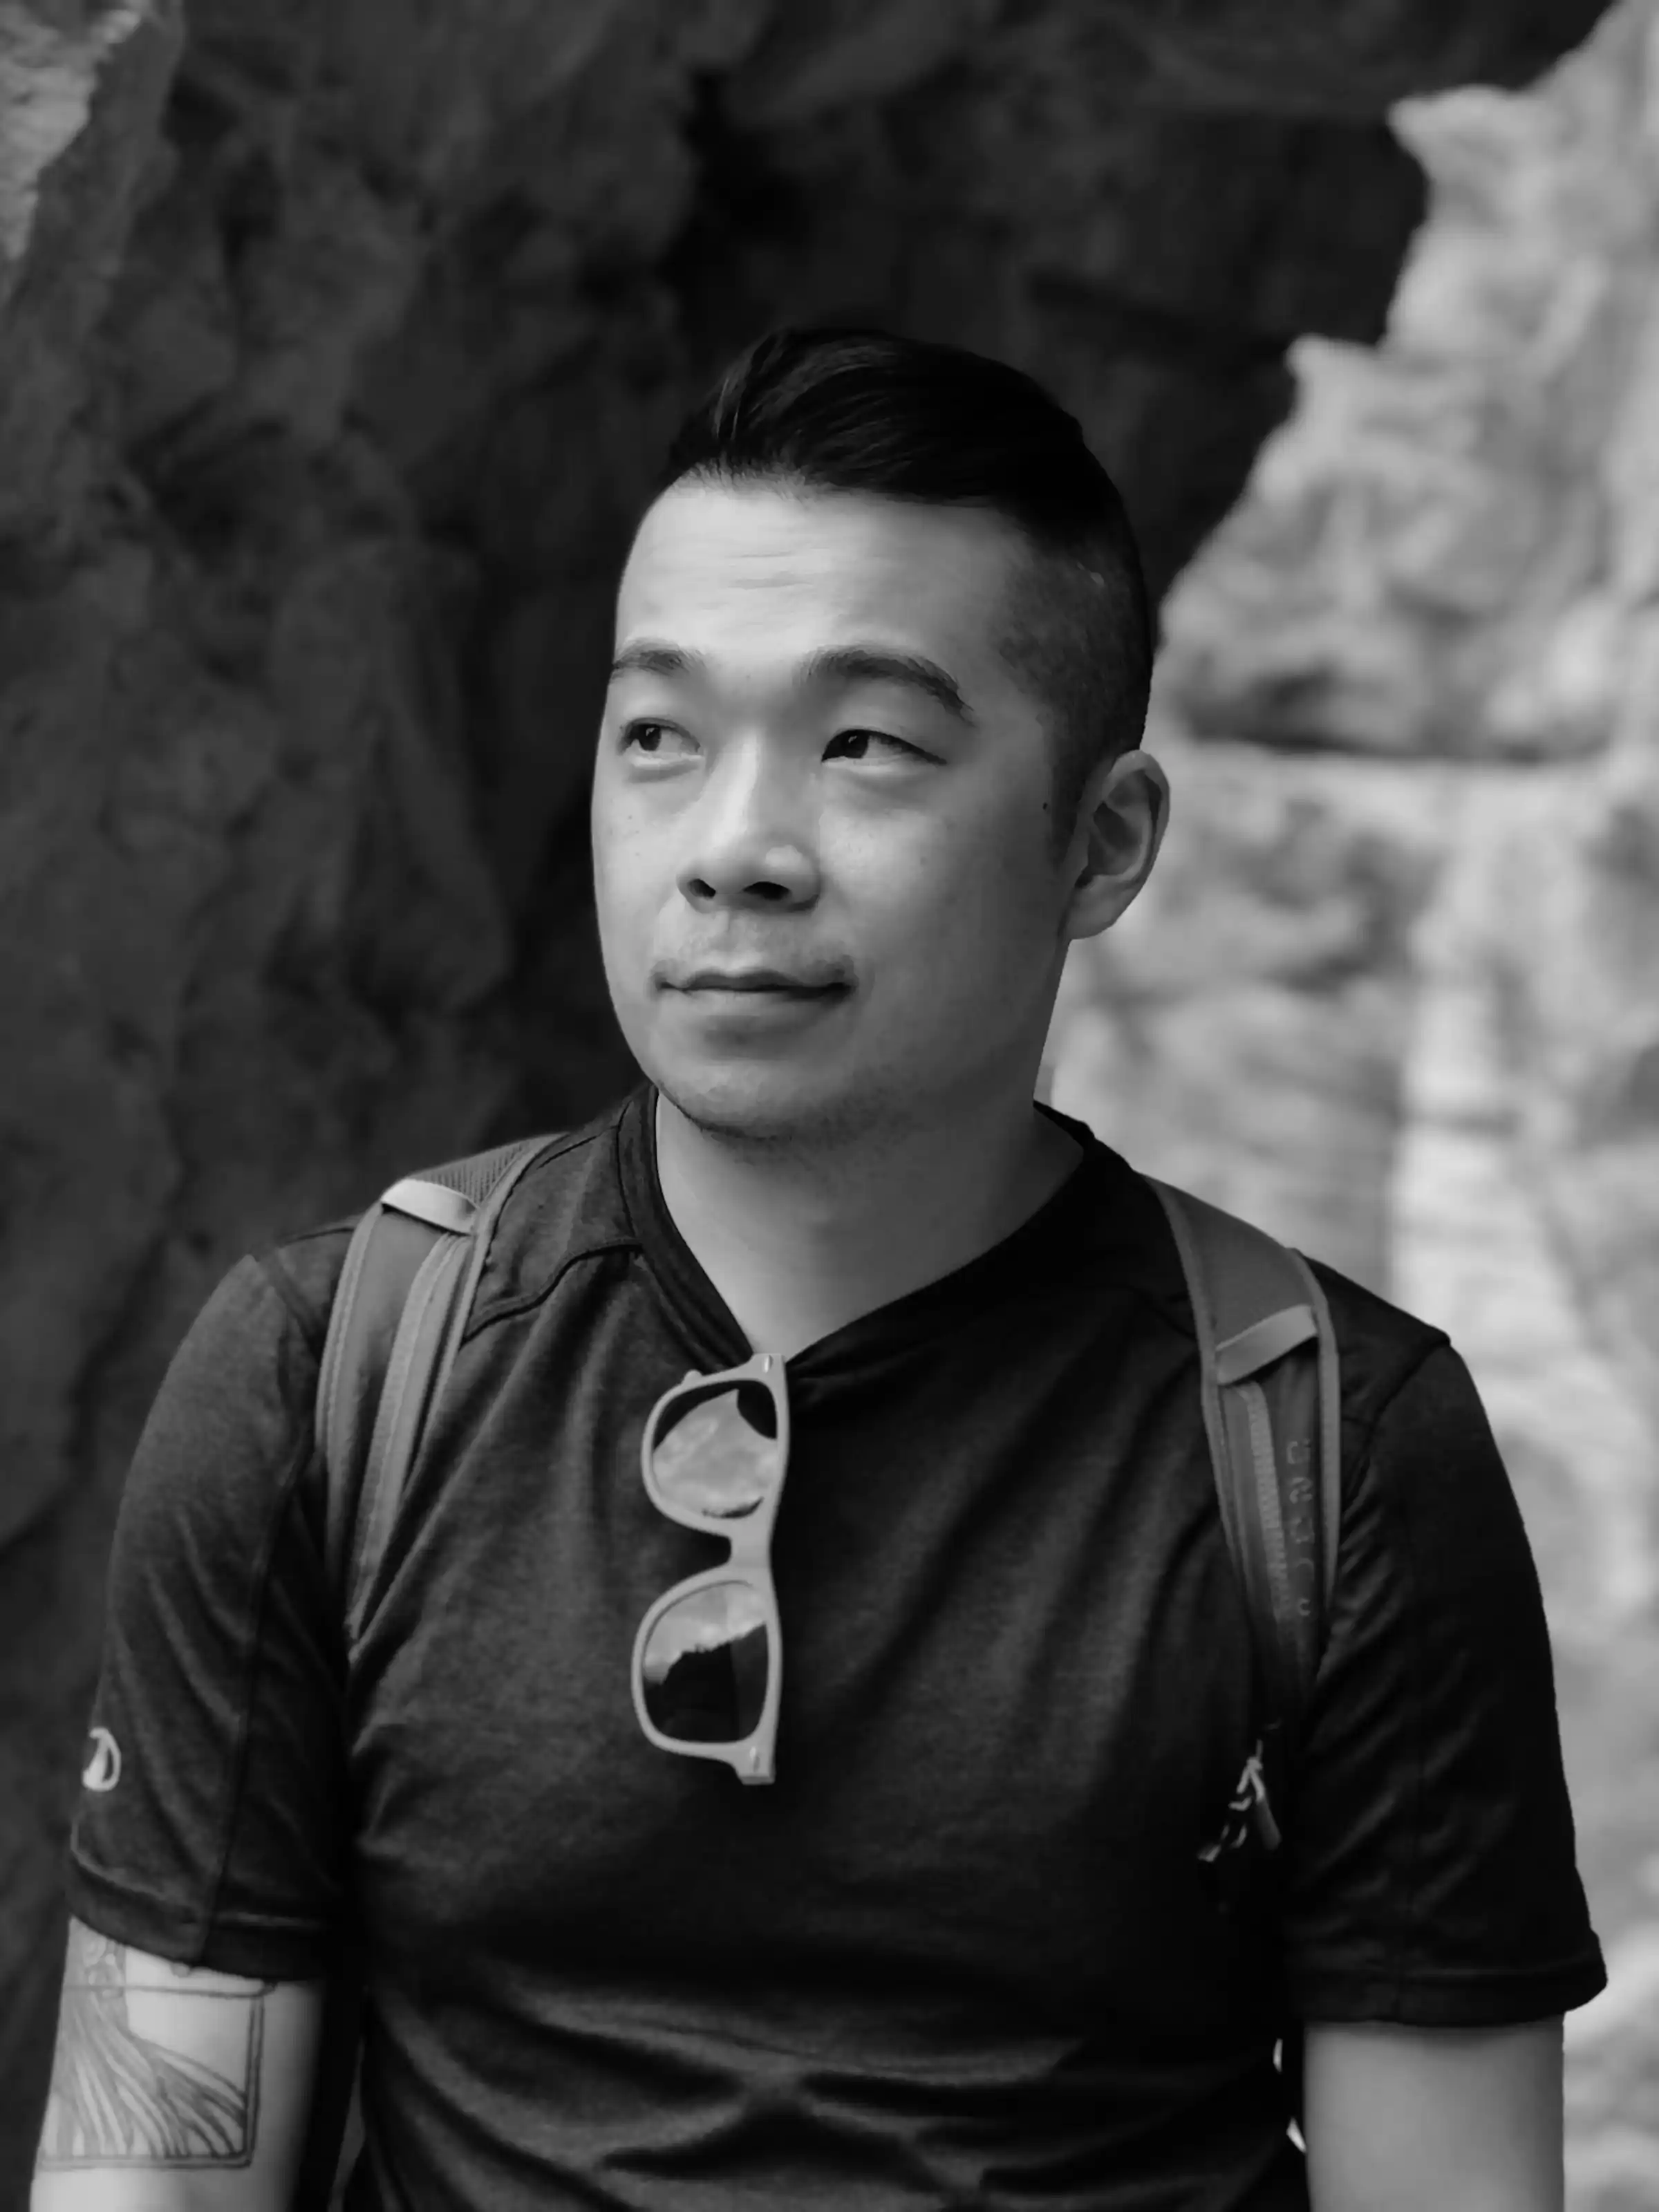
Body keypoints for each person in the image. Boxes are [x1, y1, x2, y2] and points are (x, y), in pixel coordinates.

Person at [36, 326, 1604, 2212]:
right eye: (660, 737)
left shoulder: (1328, 1450)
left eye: (864, 744)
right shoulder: (333, 1377)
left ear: (1102, 842)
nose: (734, 850)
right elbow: (153, 2165)